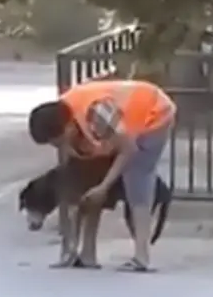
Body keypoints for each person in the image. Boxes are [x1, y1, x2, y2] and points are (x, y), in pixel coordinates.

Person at [28, 79, 175, 272]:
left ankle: (142, 257)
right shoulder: (62, 112)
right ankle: (87, 254)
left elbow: (128, 149)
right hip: (115, 125)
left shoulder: (97, 114)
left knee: (136, 179)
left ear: (68, 127)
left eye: (58, 142)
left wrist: (104, 186)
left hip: (153, 113)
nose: (59, 147)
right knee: (89, 181)